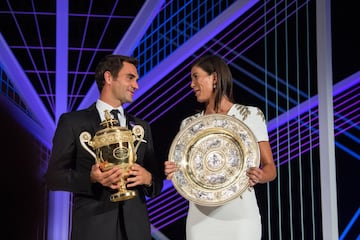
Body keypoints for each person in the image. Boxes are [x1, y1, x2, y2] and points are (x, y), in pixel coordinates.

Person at [45, 54, 163, 240]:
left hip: (136, 231)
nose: (136, 86)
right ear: (108, 78)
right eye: (130, 78)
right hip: (93, 229)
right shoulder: (73, 122)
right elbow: (53, 177)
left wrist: (148, 178)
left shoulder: (142, 127)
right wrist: (90, 178)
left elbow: (156, 182)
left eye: (137, 80)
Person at [164, 54, 277, 239]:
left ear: (214, 78)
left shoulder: (250, 115)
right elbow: (184, 173)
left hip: (240, 216)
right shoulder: (189, 125)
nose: (191, 84)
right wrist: (174, 171)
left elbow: (270, 168)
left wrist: (261, 176)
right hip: (200, 218)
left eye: (195, 76)